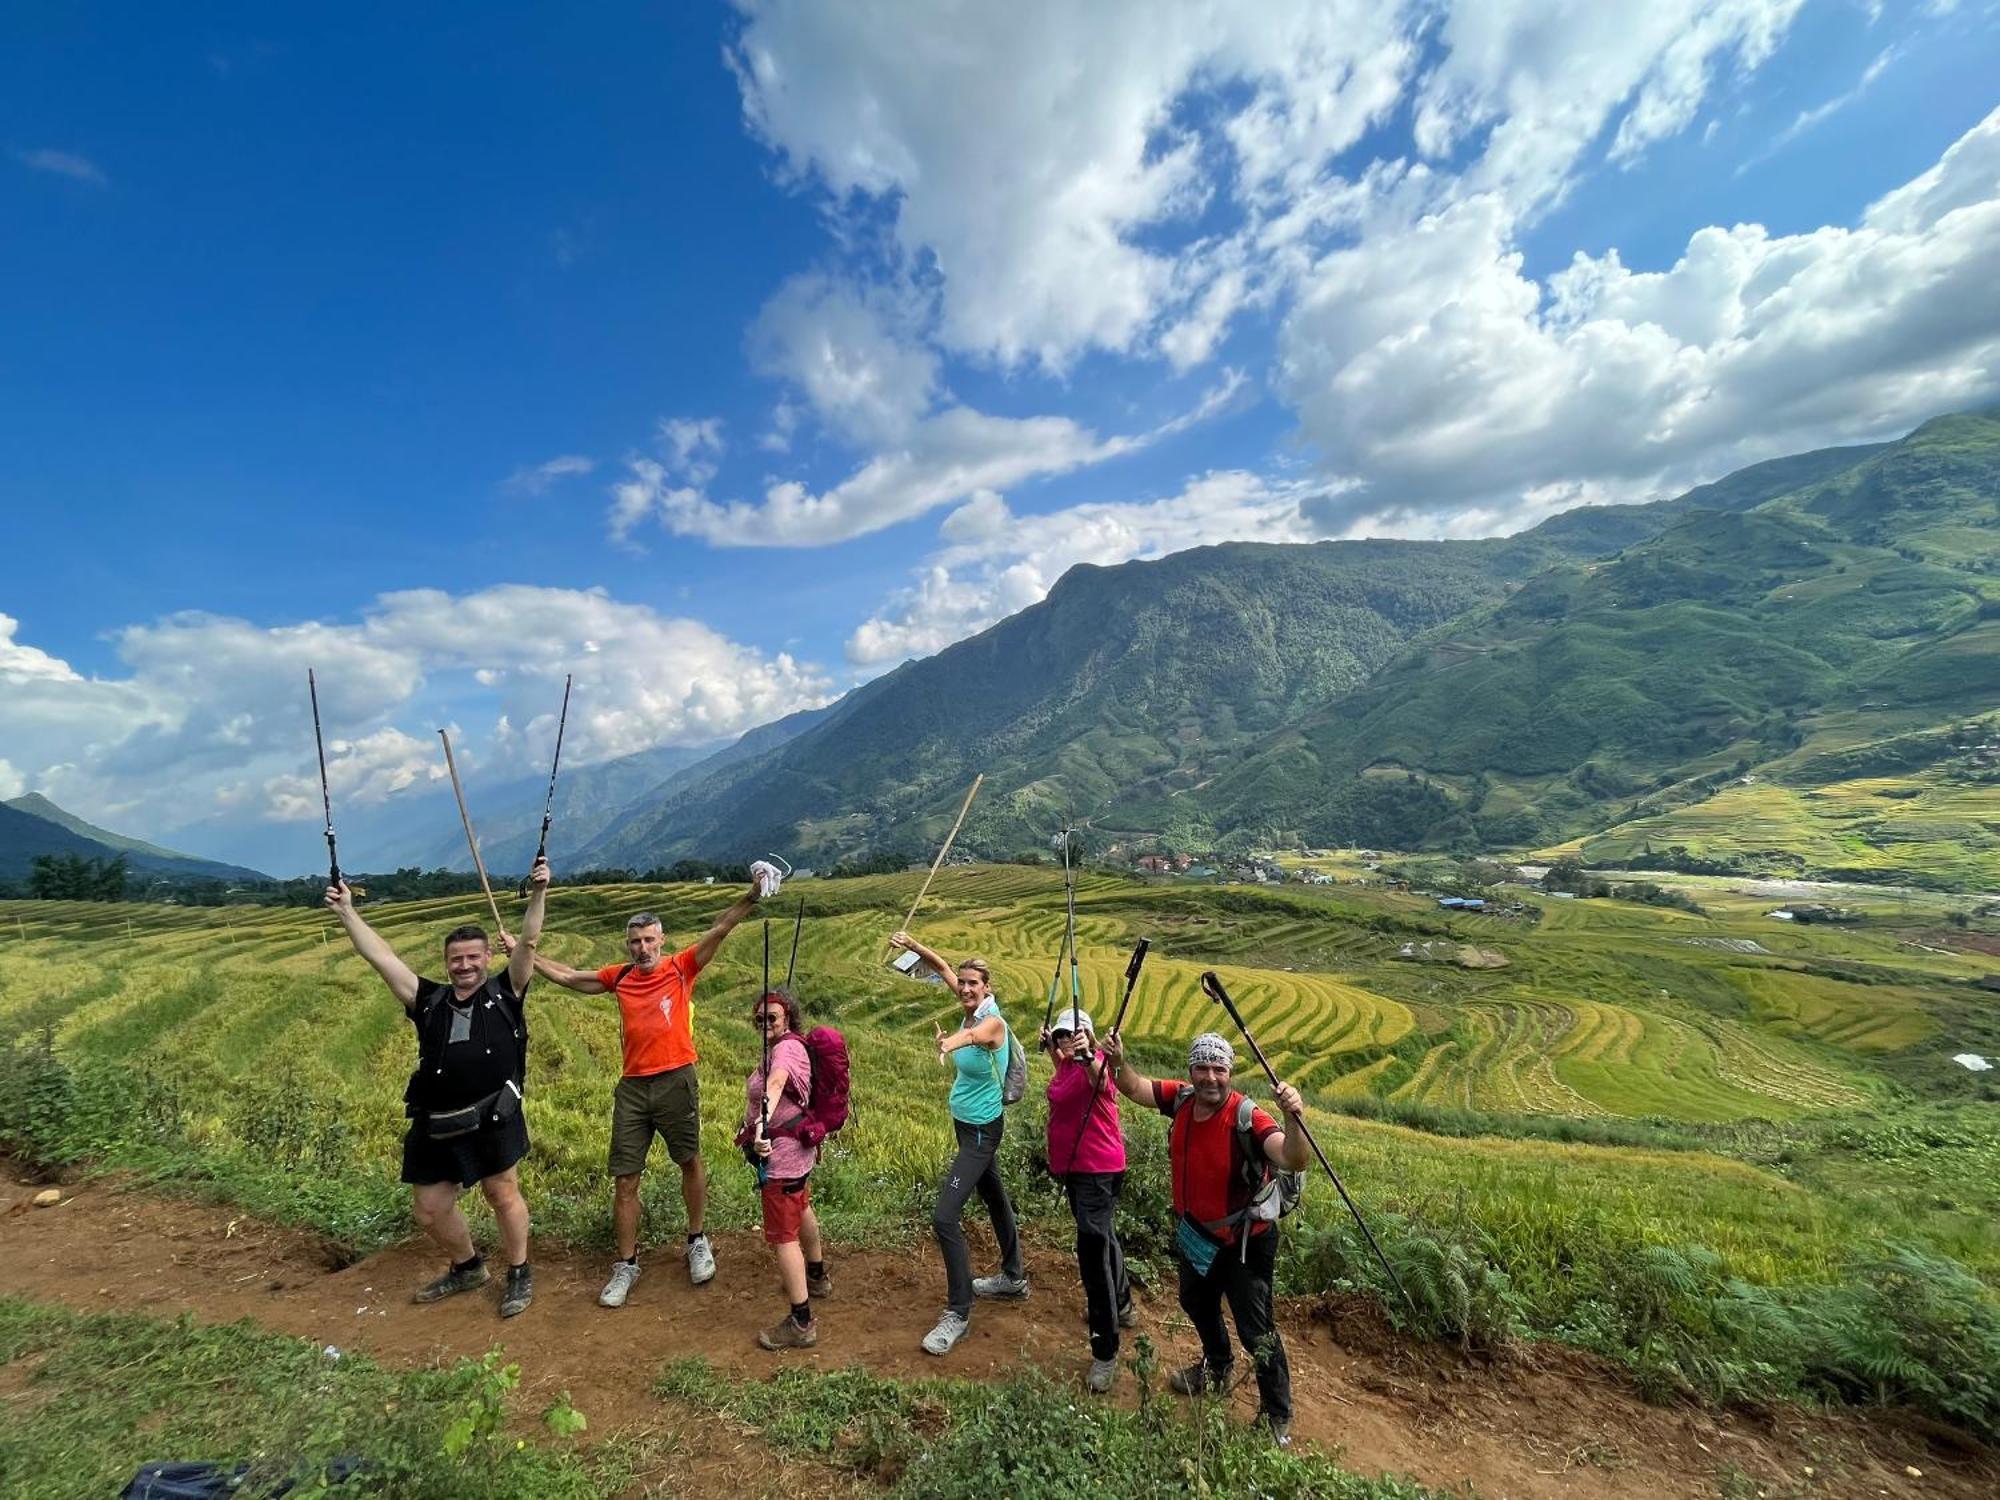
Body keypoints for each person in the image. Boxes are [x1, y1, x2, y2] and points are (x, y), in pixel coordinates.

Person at [530, 866, 775, 1305]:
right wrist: (524, 952)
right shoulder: (618, 977)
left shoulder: (681, 969)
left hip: (677, 1078)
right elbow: (568, 977)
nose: (642, 948)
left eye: (649, 940)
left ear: (661, 940)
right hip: (632, 1087)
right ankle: (625, 1264)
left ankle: (697, 1239)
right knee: (625, 1178)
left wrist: (753, 895)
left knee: (688, 1159)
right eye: (635, 942)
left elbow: (721, 928)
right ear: (628, 945)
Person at [324, 857, 549, 1318]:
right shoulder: (427, 999)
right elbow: (381, 956)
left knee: (501, 1194)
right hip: (437, 1117)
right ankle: (467, 1266)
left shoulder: (508, 991)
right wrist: (348, 912)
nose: (464, 966)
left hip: (494, 1114)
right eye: (455, 959)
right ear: (446, 963)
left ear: (488, 959)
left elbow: (528, 939)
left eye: (472, 957)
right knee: (429, 1208)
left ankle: (519, 1271)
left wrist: (540, 891)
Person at [1101, 1028, 1309, 1446]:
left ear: (1230, 1071)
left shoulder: (1248, 1117)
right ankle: (1217, 1366)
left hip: (1245, 1242)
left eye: (1219, 1069)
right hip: (1197, 1234)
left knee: (1257, 1330)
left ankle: (1276, 1413)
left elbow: (1292, 1156)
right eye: (1202, 1067)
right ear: (1191, 1070)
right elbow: (1134, 1086)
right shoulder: (1181, 1100)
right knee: (1195, 1300)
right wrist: (1118, 1059)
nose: (1210, 1077)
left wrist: (1293, 1116)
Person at [888, 929, 1027, 1356]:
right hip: (968, 1126)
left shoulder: (992, 1022)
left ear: (988, 989)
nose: (964, 988)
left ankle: (958, 1312)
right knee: (994, 1196)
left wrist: (951, 1040)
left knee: (944, 1216)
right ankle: (1014, 1277)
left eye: (973, 984)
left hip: (982, 1132)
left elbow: (976, 1036)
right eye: (963, 983)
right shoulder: (969, 1005)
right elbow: (945, 968)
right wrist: (913, 945)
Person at [1042, 1006, 1136, 1393]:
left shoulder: (1094, 1065)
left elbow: (1101, 1079)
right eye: (1062, 1034)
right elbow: (1064, 1080)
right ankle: (1125, 1305)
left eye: (1073, 1034)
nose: (1067, 1040)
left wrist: (1089, 1052)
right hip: (1077, 1171)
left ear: (1088, 1037)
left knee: (1092, 1254)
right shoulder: (1065, 1063)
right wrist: (1052, 1046)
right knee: (1104, 1238)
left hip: (1096, 1172)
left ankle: (1105, 1351)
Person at [743, 987, 832, 1349]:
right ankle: (817, 1276)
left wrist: (761, 1126)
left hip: (782, 1154)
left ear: (788, 1019)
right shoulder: (784, 1045)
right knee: (802, 1206)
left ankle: (801, 1321)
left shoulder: (787, 1049)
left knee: (783, 1237)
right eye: (759, 1018)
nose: (765, 1022)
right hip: (797, 1150)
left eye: (772, 1017)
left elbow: (777, 1081)